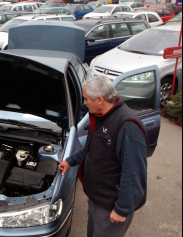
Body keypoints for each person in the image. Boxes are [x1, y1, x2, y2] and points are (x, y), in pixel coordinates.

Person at [58, 76, 148, 237]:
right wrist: (70, 161)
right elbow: (92, 148)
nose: (84, 103)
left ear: (100, 99)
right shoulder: (100, 116)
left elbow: (134, 173)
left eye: (86, 99)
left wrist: (122, 209)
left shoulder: (127, 126)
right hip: (97, 197)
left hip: (111, 205)